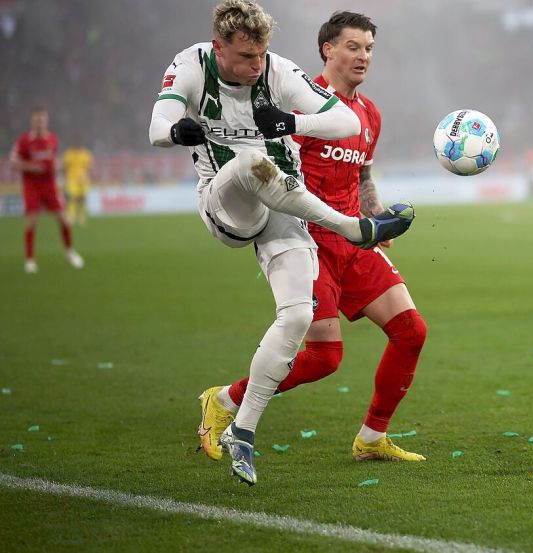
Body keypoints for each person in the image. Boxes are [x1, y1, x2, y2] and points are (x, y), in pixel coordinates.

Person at [149, 0, 413, 485]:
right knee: (252, 163)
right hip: (261, 211)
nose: (363, 56)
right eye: (353, 46)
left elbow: (360, 163)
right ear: (328, 50)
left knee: (379, 330)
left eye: (369, 48)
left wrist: (368, 207)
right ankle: (354, 228)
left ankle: (261, 428)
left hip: (316, 228)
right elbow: (158, 127)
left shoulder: (354, 108)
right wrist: (174, 130)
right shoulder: (203, 71)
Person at [9, 107, 83, 273]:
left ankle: (70, 252)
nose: (40, 121)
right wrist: (31, 167)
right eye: (37, 119)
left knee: (64, 220)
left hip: (50, 186)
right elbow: (13, 163)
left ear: (46, 120)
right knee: (31, 221)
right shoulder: (24, 140)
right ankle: (29, 260)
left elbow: (53, 161)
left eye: (42, 118)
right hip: (32, 187)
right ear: (32, 121)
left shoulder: (52, 139)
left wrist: (56, 169)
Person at [62, 139, 94, 226]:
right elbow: (64, 167)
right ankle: (71, 217)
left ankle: (81, 217)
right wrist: (65, 178)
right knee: (72, 198)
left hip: (83, 180)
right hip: (72, 180)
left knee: (82, 199)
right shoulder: (69, 154)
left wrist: (86, 175)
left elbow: (90, 166)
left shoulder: (85, 153)